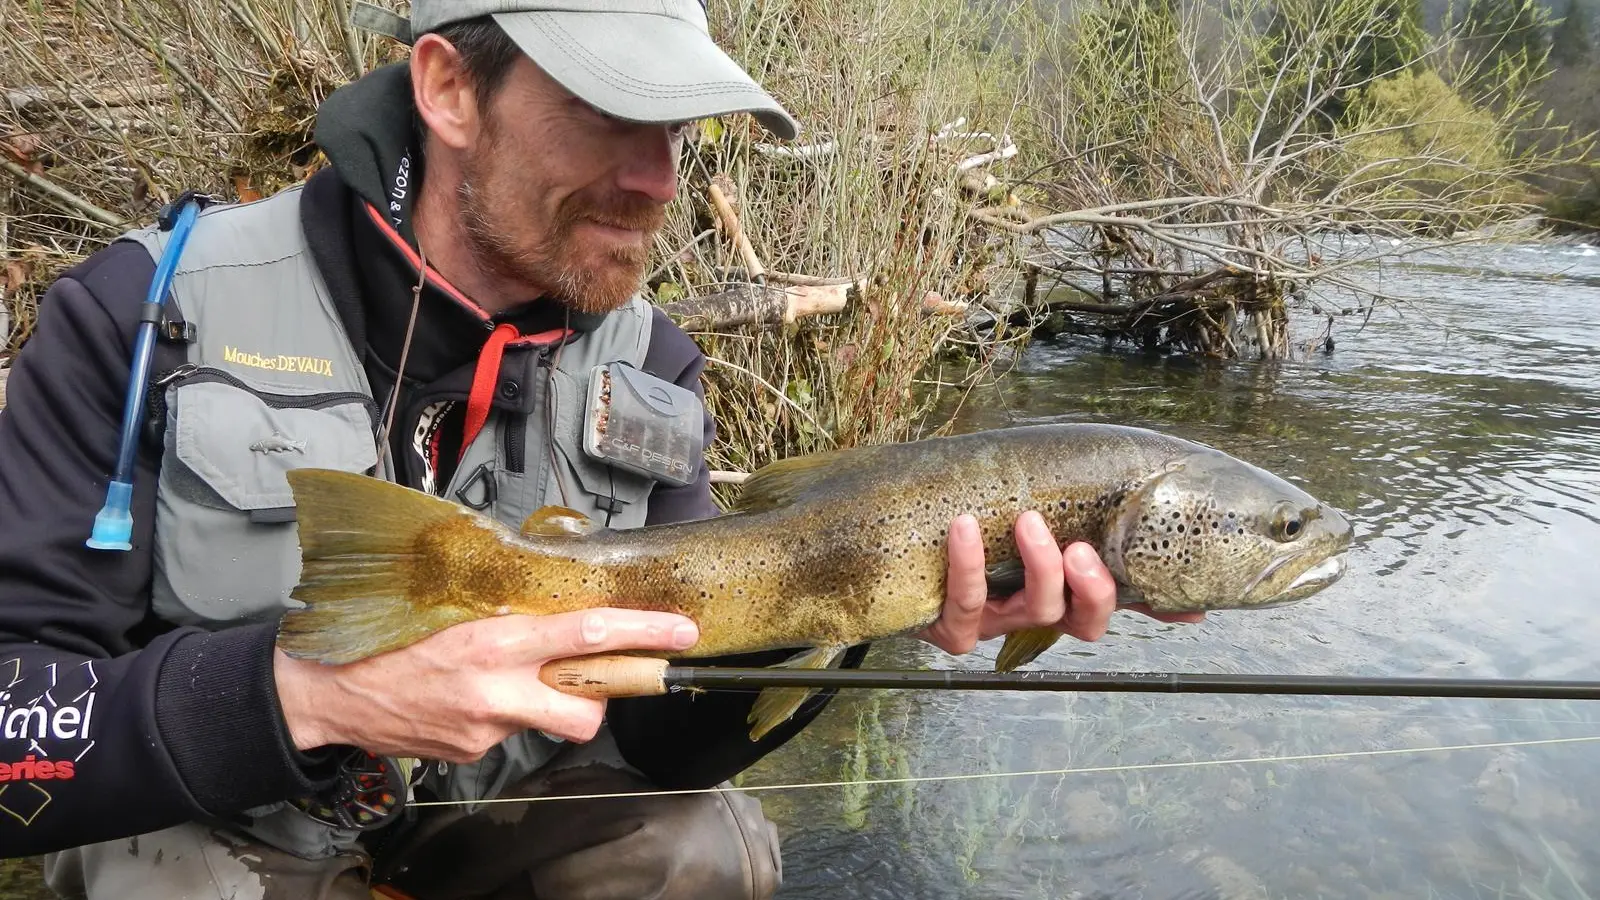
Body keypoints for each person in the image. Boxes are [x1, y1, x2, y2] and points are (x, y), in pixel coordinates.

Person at [0, 2, 1202, 897]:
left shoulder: (656, 366)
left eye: (675, 130)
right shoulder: (147, 313)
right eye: (612, 116)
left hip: (489, 833)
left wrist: (839, 613)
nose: (656, 180)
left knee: (699, 850)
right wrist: (307, 694)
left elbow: (658, 736)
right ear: (448, 90)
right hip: (217, 837)